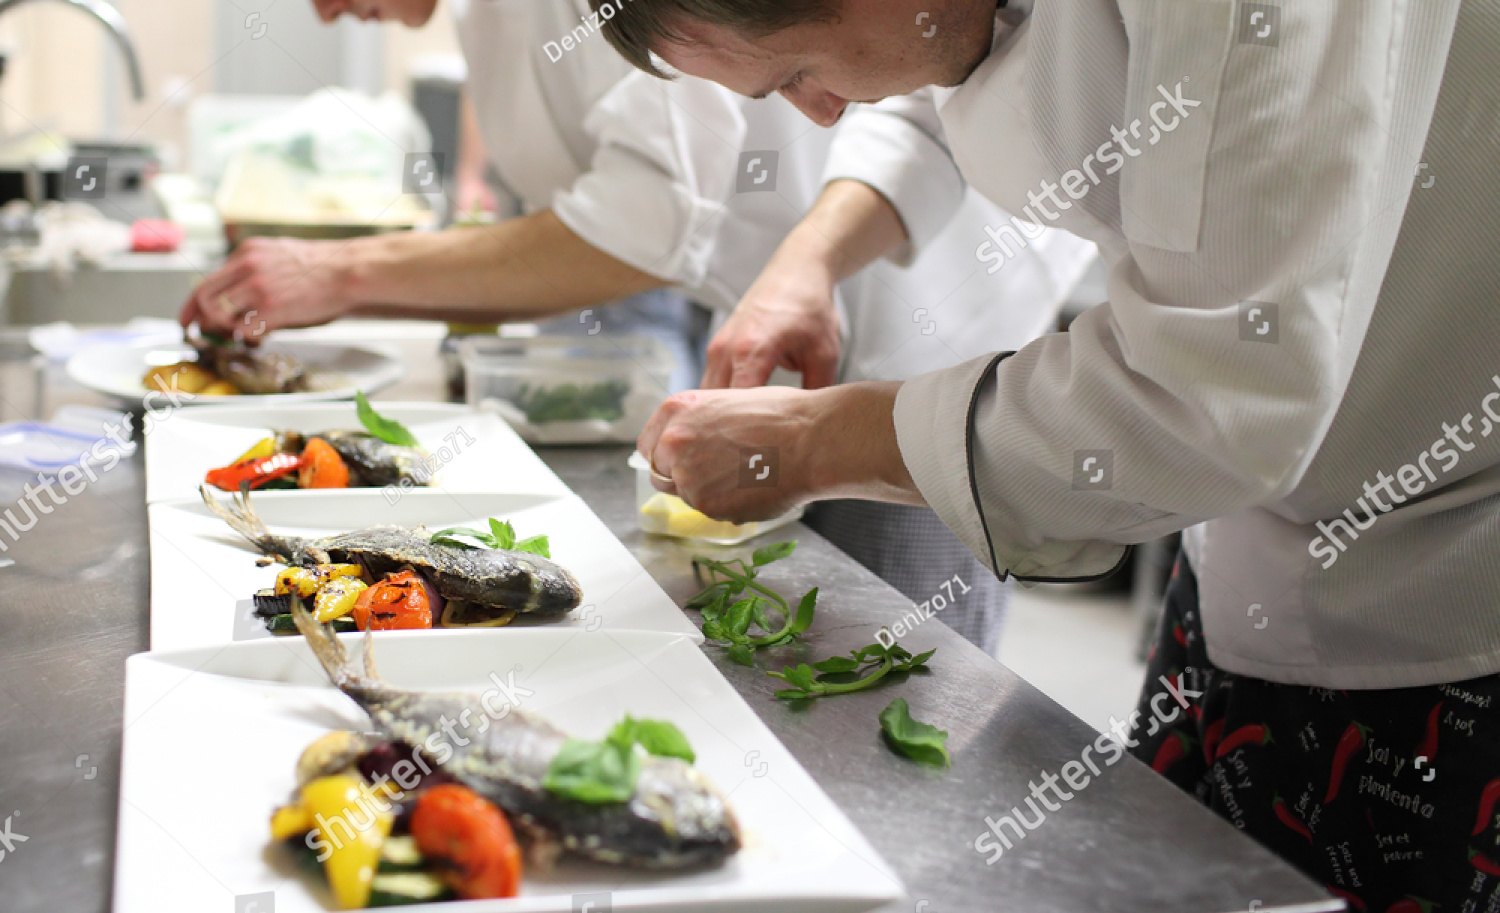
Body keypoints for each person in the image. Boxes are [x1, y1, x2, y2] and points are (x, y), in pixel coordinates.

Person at [601, 0, 1500, 913]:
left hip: (1445, 577)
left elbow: (1205, 400)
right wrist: (812, 258)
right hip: (1253, 537)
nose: (822, 113)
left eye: (796, 74)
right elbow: (939, 70)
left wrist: (808, 443)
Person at [178, 0, 1097, 655]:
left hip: (932, 341)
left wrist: (344, 271)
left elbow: (650, 220)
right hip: (782, 320)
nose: (322, 13)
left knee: (894, 668)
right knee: (769, 649)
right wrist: (798, 272)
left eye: (797, 82)